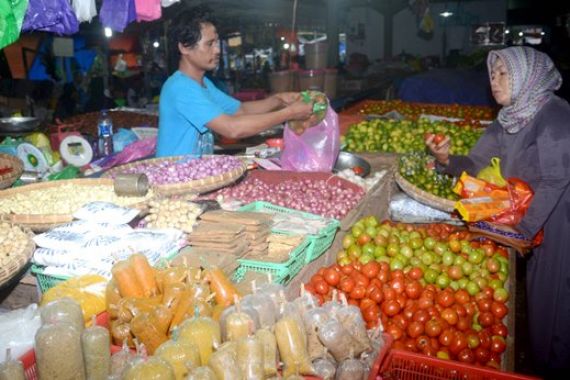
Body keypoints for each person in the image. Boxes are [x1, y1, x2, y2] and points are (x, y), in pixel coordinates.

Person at [426, 46, 570, 378]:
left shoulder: (554, 114)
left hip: (559, 222)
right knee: (540, 308)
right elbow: (476, 164)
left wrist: (522, 232)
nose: (495, 81)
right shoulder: (508, 118)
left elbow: (557, 177)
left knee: (556, 311)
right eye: (492, 74)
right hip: (534, 222)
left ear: (526, 77)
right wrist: (447, 159)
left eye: (504, 73)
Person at [157, 6, 314, 158]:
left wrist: (278, 99)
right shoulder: (180, 88)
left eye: (216, 43)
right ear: (185, 48)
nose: (217, 50)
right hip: (174, 180)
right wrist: (290, 113)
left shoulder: (203, 83)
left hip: (193, 176)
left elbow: (241, 110)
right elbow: (232, 128)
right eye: (210, 44)